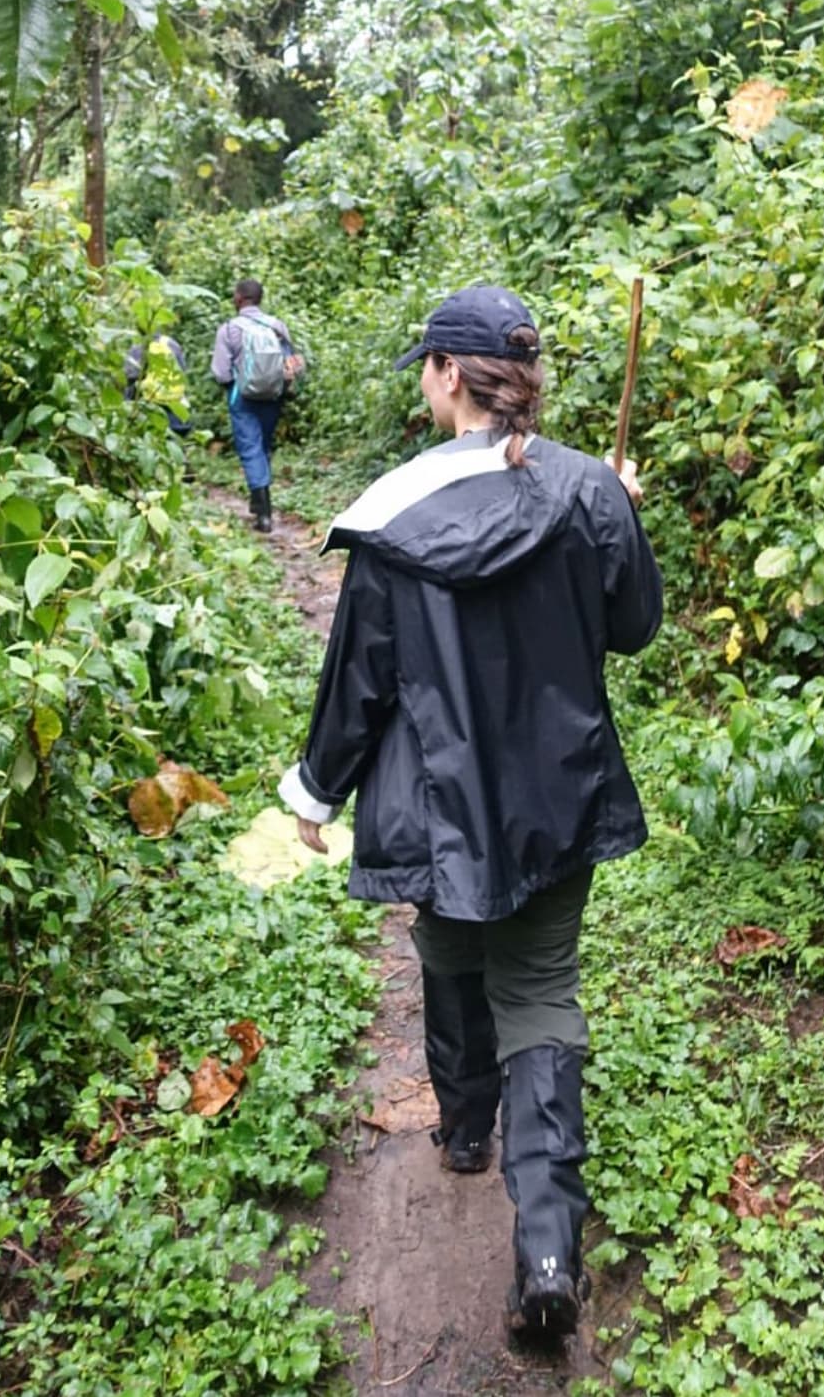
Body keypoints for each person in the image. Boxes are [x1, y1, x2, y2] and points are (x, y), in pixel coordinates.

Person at [277, 284, 663, 1338]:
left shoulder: (394, 511)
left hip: (442, 809)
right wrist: (621, 513)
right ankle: (546, 1247)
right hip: (558, 797)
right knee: (539, 991)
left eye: (425, 364)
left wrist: (314, 791)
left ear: (450, 375)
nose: (423, 379)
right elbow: (632, 628)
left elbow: (361, 678)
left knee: (449, 951)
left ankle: (460, 1127)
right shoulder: (588, 491)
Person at [210, 278, 304, 532]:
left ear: (239, 298)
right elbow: (290, 362)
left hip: (242, 397)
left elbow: (221, 372)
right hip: (273, 394)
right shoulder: (276, 325)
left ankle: (264, 513)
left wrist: (236, 383)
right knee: (262, 446)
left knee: (250, 448)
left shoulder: (229, 329)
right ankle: (258, 499)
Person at [124, 333, 194, 436]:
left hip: (147, 410)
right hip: (176, 417)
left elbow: (131, 376)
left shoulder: (138, 347)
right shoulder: (171, 343)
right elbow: (181, 372)